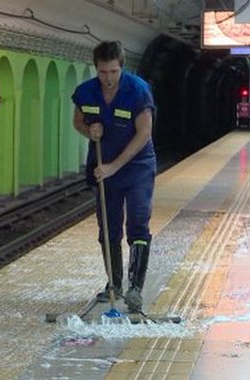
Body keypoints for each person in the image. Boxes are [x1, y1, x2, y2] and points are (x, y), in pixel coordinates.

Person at [71, 41, 156, 312]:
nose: (108, 79)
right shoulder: (86, 92)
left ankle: (134, 288)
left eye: (113, 72)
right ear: (96, 68)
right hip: (103, 167)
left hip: (137, 167)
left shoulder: (137, 91)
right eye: (103, 72)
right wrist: (88, 130)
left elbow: (144, 133)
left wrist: (115, 166)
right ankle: (114, 284)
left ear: (122, 67)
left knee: (138, 223)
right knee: (108, 227)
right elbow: (78, 121)